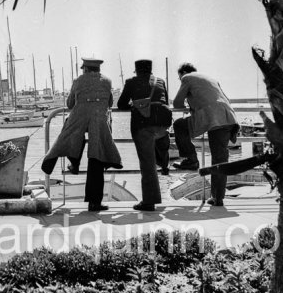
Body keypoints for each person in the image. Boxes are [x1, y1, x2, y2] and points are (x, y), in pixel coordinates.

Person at [41, 57, 122, 212]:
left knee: (70, 137)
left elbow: (70, 104)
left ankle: (64, 160)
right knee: (96, 158)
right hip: (99, 122)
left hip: (79, 119)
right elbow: (110, 103)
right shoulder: (107, 81)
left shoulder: (78, 81)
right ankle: (94, 203)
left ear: (85, 68)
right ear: (98, 69)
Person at [172, 63, 239, 206]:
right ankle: (218, 198)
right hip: (228, 116)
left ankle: (191, 159)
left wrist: (188, 107)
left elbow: (177, 103)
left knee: (179, 125)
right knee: (220, 159)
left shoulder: (187, 78)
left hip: (212, 117)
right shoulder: (211, 79)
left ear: (183, 72)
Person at [117, 59, 173, 212]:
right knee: (159, 139)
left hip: (143, 125)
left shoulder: (131, 82)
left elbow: (121, 104)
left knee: (147, 164)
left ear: (137, 71)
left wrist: (136, 106)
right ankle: (164, 161)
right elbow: (165, 100)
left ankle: (149, 202)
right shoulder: (160, 81)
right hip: (162, 122)